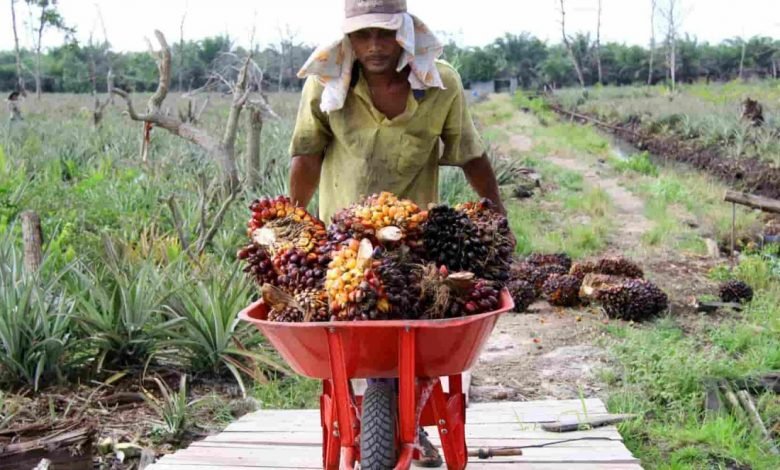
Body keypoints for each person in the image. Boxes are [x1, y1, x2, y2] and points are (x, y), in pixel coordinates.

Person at [288, 0, 509, 466]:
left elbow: (470, 154)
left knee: (403, 335)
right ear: (348, 36)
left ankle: (400, 417)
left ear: (406, 32)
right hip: (343, 247)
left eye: (385, 34)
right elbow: (306, 156)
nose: (374, 46)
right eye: (362, 35)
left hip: (415, 244)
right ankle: (382, 420)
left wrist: (499, 216)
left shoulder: (440, 84)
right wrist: (292, 223)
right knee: (367, 339)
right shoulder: (326, 82)